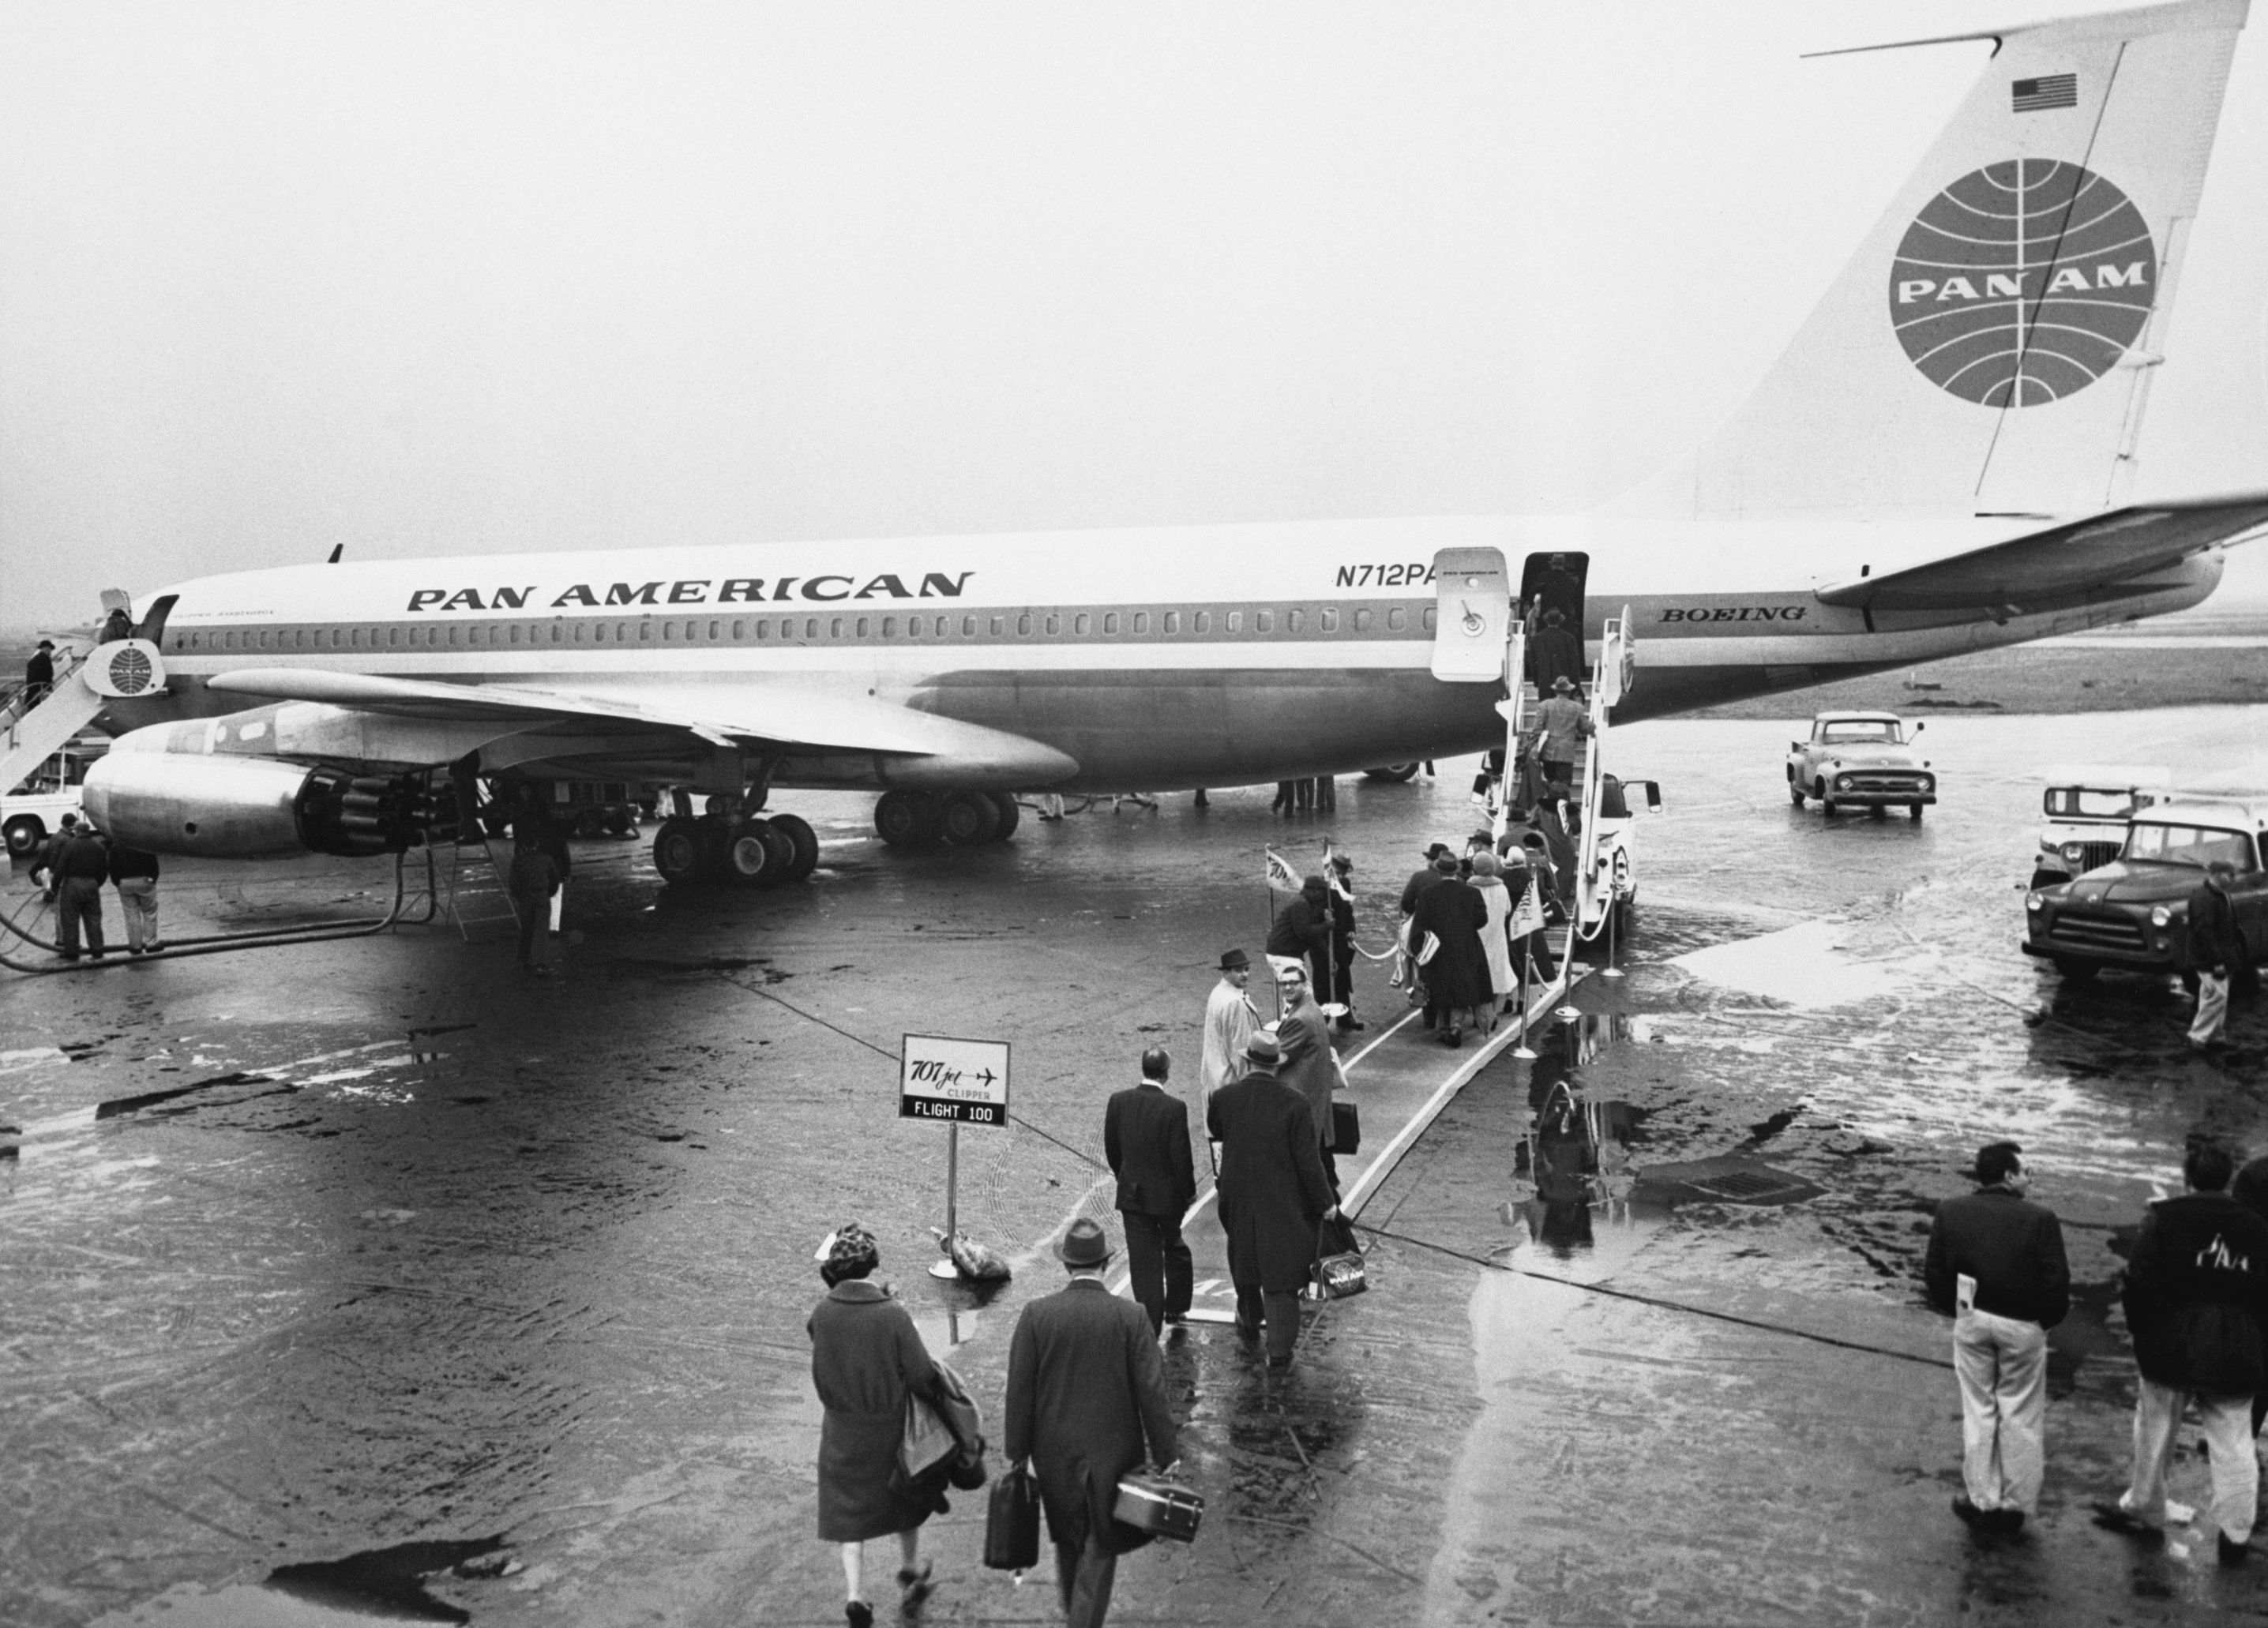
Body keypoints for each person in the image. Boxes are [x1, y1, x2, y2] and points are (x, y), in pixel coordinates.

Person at [1004, 1217, 1181, 1628]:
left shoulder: (1036, 1316)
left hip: (1053, 1456)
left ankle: (1074, 1614)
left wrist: (1017, 1453)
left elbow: (1020, 1392)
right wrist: (1167, 1453)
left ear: (1067, 1266)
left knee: (1068, 1541)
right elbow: (1152, 1393)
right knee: (1101, 1548)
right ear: (1105, 1264)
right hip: (1114, 1457)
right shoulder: (1132, 1317)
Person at [2098, 1142, 2268, 1562]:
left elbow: (2139, 1282)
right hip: (2235, 1346)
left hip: (2171, 1343)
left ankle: (2145, 1506)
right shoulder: (2258, 1228)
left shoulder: (2165, 1218)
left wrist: (2144, 1332)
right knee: (2234, 1442)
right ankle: (2236, 1532)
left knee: (2155, 1431)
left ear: (2186, 1178)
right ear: (2229, 1179)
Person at [1921, 1142, 2070, 1536]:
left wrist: (1955, 1311)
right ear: (2008, 1176)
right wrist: (2044, 1322)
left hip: (1972, 1318)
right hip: (2022, 1326)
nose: (2031, 1178)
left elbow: (1934, 1273)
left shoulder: (1950, 1211)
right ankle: (2016, 1505)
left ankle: (1982, 1499)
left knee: (1979, 1409)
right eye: (2026, 1172)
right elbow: (2056, 1284)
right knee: (2020, 1414)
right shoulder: (2041, 1219)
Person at [806, 1224, 947, 1626]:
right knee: (906, 1497)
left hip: (841, 1428)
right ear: (873, 1265)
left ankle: (856, 1595)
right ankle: (909, 1568)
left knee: (849, 1513)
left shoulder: (823, 1314)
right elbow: (921, 1375)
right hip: (891, 1426)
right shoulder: (893, 1315)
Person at [1207, 1032, 1337, 1366]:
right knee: (1280, 1279)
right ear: (1277, 1066)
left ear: (1247, 1061)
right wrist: (1326, 1203)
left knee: (1245, 1262)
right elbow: (1309, 1163)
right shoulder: (1295, 1104)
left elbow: (1216, 1131)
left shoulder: (1224, 1099)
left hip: (1238, 1200)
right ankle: (1279, 1351)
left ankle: (1248, 1319)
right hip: (1281, 1205)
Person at [1104, 1048, 1196, 1335]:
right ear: (1166, 1073)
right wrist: (1189, 1193)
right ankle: (1177, 1305)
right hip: (1168, 1201)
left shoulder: (1119, 1102)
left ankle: (1149, 1328)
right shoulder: (1174, 1108)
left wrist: (1125, 1176)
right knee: (1175, 1246)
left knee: (1144, 1266)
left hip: (1133, 1197)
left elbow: (1112, 1148)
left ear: (1143, 1069)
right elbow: (1181, 1157)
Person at [1407, 853, 1492, 1046]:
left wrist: (1417, 949)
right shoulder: (1472, 893)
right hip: (1466, 947)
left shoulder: (1427, 895)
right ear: (1457, 871)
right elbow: (1482, 920)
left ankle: (1443, 1027)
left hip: (1437, 949)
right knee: (1462, 988)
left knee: (1440, 987)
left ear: (1439, 870)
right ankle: (1456, 1026)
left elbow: (1419, 925)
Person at [1272, 962, 1339, 1187]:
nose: (1288, 987)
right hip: (1315, 1094)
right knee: (1319, 1157)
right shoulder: (1312, 1009)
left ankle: (1332, 1212)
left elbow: (1279, 1056)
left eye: (1293, 983)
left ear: (1305, 985)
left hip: (1302, 1098)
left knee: (1310, 1162)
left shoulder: (1299, 1019)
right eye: (1284, 984)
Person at [2186, 859, 2244, 1051]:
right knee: (2216, 997)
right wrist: (2217, 961)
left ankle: (2216, 1037)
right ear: (2218, 874)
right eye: (2230, 875)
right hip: (2210, 959)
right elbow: (2204, 933)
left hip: (2222, 956)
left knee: (2216, 996)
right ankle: (2198, 1037)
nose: (2234, 879)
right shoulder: (2206, 898)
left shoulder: (2219, 895)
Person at [47, 816, 111, 961]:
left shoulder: (70, 845)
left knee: (70, 920)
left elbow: (60, 868)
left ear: (77, 832)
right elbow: (104, 870)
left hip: (72, 886)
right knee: (93, 919)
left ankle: (72, 952)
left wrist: (54, 888)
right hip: (92, 885)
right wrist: (96, 883)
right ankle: (97, 950)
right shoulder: (99, 847)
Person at [1267, 876, 1331, 1000]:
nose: (1323, 897)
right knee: (1301, 997)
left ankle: (1291, 1018)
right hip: (1284, 956)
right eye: (1322, 893)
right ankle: (1294, 1019)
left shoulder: (1303, 903)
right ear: (1314, 891)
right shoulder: (1302, 905)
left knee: (1298, 997)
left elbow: (1312, 937)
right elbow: (1305, 933)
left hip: (1283, 954)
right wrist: (1326, 926)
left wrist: (1329, 958)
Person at [1469, 852, 1515, 1023]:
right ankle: (1492, 1011)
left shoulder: (1471, 888)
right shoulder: (1502, 888)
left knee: (1475, 975)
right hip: (1497, 936)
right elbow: (1508, 910)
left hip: (1476, 937)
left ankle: (1477, 1014)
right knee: (1495, 974)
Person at [508, 826, 560, 974]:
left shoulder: (518, 861)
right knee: (541, 930)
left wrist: (520, 896)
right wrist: (548, 893)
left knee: (527, 928)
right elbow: (554, 881)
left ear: (523, 844)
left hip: (525, 897)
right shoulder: (546, 859)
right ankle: (540, 963)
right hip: (542, 895)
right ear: (537, 843)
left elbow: (513, 884)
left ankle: (523, 959)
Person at [1529, 677, 1592, 789]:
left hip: (1548, 752)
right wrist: (1593, 726)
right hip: (1566, 753)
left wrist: (1533, 747)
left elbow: (1537, 729)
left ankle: (1551, 805)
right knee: (1564, 785)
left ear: (1555, 691)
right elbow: (1585, 728)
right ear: (1569, 691)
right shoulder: (1578, 707)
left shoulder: (1544, 705)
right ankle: (1561, 805)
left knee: (1550, 782)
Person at [1324, 853, 1362, 1033]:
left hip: (1339, 936)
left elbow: (1348, 908)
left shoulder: (1345, 884)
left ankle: (1345, 1017)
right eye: (1337, 873)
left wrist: (1351, 928)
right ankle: (1320, 1021)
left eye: (1343, 874)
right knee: (1323, 978)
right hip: (1324, 937)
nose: (1340, 877)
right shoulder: (1321, 885)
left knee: (1343, 975)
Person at [107, 839, 163, 955]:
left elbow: (112, 866)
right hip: (144, 880)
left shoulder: (116, 847)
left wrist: (117, 881)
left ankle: (135, 946)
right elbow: (153, 863)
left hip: (125, 882)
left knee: (131, 915)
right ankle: (151, 943)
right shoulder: (143, 844)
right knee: (149, 913)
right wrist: (153, 879)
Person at [1526, 607, 1585, 699]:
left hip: (1544, 682)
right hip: (1564, 684)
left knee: (1545, 709)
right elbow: (1574, 664)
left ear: (1547, 621)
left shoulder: (1537, 639)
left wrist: (1537, 681)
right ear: (1560, 621)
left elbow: (1532, 662)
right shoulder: (1569, 638)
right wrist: (1576, 684)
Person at [22, 640, 54, 705]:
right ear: (47, 649)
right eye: (50, 649)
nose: (51, 651)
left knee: (31, 706)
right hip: (40, 691)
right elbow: (47, 676)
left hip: (32, 691)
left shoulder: (34, 659)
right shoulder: (46, 660)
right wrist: (49, 689)